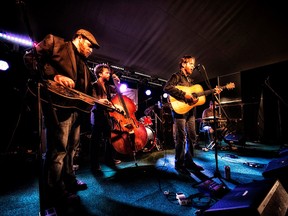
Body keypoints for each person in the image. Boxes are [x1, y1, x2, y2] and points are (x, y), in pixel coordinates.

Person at [24, 29, 100, 207]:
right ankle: (54, 191)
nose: (91, 50)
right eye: (89, 46)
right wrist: (54, 75)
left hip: (76, 110)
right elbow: (30, 59)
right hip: (59, 107)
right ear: (79, 38)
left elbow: (86, 90)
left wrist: (98, 100)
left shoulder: (84, 63)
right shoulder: (55, 42)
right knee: (58, 150)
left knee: (71, 149)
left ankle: (69, 180)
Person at [163, 55, 222, 174]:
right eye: (191, 63)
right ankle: (179, 164)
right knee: (181, 138)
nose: (193, 66)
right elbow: (167, 87)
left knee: (192, 136)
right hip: (179, 111)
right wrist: (184, 95)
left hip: (191, 112)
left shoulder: (191, 81)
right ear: (183, 64)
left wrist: (213, 91)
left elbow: (195, 95)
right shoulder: (176, 76)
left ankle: (189, 161)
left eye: (193, 64)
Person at [90, 63, 122, 174]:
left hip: (106, 116)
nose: (109, 74)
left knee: (109, 139)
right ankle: (94, 165)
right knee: (96, 141)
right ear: (99, 73)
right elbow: (92, 100)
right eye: (107, 72)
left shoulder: (107, 87)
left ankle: (109, 160)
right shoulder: (94, 85)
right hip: (97, 115)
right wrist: (100, 101)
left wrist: (117, 83)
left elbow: (119, 92)